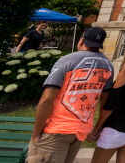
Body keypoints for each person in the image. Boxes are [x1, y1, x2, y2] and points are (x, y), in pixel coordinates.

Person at [27, 28, 113, 163]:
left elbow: (46, 99)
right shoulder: (108, 65)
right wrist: (97, 128)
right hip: (81, 130)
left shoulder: (66, 60)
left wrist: (36, 133)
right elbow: (107, 101)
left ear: (81, 41)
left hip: (55, 130)